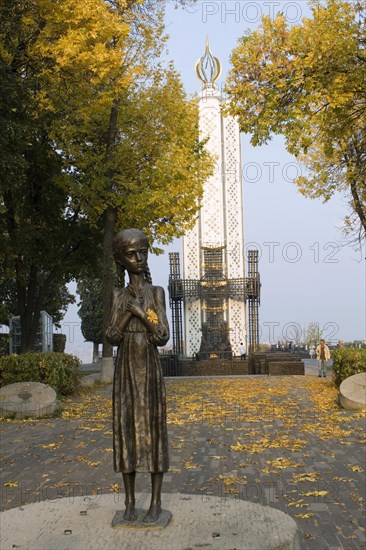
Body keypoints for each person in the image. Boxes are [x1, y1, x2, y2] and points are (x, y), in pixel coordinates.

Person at [105, 228, 169, 523]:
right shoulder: (117, 295)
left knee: (154, 429)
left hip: (150, 366)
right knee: (126, 428)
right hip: (126, 369)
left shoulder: (156, 293)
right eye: (131, 254)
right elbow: (111, 336)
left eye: (142, 252)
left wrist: (143, 314)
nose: (139, 258)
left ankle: (155, 501)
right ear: (121, 259)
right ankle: (130, 502)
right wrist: (129, 312)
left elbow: (162, 335)